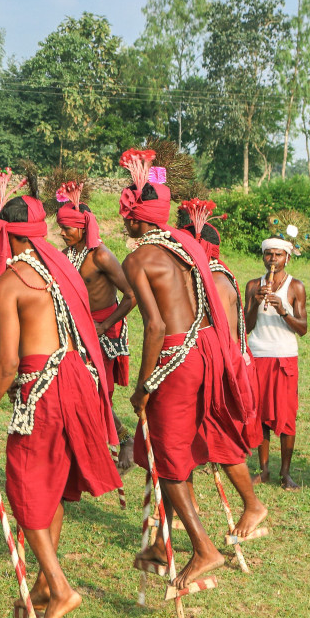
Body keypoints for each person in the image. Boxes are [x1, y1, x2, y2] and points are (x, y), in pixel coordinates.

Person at [0, 179, 121, 618]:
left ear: (7, 234)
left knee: (27, 489)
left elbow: (9, 363)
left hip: (42, 391)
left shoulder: (11, 283)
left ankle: (61, 586)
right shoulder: (63, 270)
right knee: (50, 487)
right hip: (77, 382)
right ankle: (40, 587)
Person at [118, 150, 251, 591]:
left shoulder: (139, 260)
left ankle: (204, 548)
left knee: (170, 461)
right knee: (172, 451)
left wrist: (143, 385)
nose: (123, 223)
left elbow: (155, 325)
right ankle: (162, 540)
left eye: (127, 216)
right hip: (200, 355)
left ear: (138, 220)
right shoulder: (185, 250)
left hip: (173, 359)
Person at [175, 200, 268, 541]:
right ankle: (188, 505)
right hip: (208, 368)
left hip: (221, 373)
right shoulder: (206, 274)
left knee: (220, 442)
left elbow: (211, 337)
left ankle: (253, 504)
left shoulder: (213, 279)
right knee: (180, 437)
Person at [52, 175, 137, 467]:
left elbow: (130, 296)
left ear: (83, 227)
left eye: (67, 228)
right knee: (81, 389)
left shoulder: (101, 256)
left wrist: (103, 325)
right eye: (60, 227)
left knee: (96, 390)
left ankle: (124, 440)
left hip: (104, 331)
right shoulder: (66, 255)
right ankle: (93, 448)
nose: (62, 233)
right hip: (76, 332)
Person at [245, 235, 307, 487]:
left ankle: (286, 472)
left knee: (286, 415)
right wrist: (255, 303)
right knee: (260, 415)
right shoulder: (252, 286)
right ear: (263, 257)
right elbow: (246, 326)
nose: (273, 259)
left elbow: (302, 328)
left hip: (283, 356)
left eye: (278, 255)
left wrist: (283, 310)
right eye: (268, 254)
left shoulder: (295, 287)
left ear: (287, 258)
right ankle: (264, 470)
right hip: (258, 354)